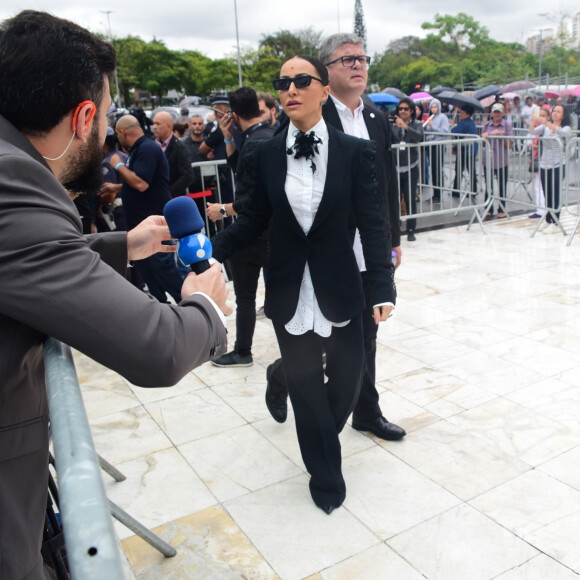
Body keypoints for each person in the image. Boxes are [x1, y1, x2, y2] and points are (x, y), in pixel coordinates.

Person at [0, 11, 230, 579]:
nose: (106, 133)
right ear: (83, 117)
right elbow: (157, 348)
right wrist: (203, 305)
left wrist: (121, 244)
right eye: (103, 117)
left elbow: (28, 256)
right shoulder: (15, 179)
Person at [212, 54, 396, 514]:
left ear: (323, 90)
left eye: (301, 80)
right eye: (283, 83)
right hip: (290, 288)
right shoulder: (264, 153)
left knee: (347, 384)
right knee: (311, 389)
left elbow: (373, 224)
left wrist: (382, 287)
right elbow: (253, 218)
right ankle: (326, 477)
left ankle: (280, 381)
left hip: (341, 286)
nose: (290, 89)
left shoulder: (355, 152)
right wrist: (209, 252)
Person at [264, 33, 405, 444]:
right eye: (346, 60)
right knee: (328, 341)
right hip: (325, 254)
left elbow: (385, 188)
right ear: (325, 74)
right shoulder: (307, 122)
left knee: (364, 338)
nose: (357, 65)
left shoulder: (377, 119)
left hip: (367, 250)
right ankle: (283, 374)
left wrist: (393, 242)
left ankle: (366, 411)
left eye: (361, 58)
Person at [206, 87, 275, 368]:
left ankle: (244, 351)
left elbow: (249, 203)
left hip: (253, 236)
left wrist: (222, 213)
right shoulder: (263, 137)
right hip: (270, 235)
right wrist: (227, 137)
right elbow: (242, 169)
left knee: (246, 298)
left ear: (232, 115)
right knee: (277, 300)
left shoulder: (258, 142)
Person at [112, 114, 185, 303]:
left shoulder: (146, 148)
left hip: (153, 222)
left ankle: (190, 301)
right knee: (148, 269)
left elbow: (141, 183)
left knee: (162, 267)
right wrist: (117, 187)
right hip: (140, 222)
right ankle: (160, 306)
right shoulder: (140, 149)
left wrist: (118, 165)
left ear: (122, 132)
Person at [531, 103, 572, 228]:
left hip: (558, 164)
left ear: (563, 115)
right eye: (554, 111)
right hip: (545, 164)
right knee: (547, 193)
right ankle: (548, 219)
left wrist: (545, 122)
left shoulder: (566, 128)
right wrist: (533, 121)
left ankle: (555, 221)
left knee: (555, 193)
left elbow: (560, 132)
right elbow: (532, 130)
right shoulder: (545, 127)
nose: (555, 113)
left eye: (558, 111)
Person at [391, 96, 424, 241]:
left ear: (411, 111)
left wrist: (405, 127)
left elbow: (419, 137)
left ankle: (411, 229)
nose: (403, 111)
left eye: (406, 109)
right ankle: (396, 227)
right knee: (395, 199)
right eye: (400, 109)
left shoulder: (417, 124)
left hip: (411, 167)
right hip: (396, 167)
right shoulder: (392, 125)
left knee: (410, 198)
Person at [481, 102, 514, 218]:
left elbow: (510, 145)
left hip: (501, 160)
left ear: (503, 113)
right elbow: (482, 141)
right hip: (488, 160)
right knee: (488, 185)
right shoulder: (487, 125)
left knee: (502, 186)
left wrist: (502, 135)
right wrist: (484, 137)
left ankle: (502, 208)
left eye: (499, 112)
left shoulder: (507, 125)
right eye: (495, 112)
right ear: (491, 113)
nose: (497, 114)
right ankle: (488, 208)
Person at [152, 111, 194, 198]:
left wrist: (169, 193)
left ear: (169, 126)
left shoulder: (179, 147)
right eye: (154, 123)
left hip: (169, 198)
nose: (154, 127)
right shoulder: (150, 144)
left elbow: (187, 176)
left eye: (158, 124)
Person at [423, 97, 450, 202]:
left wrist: (432, 126)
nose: (434, 109)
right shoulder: (431, 117)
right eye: (432, 107)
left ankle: (438, 194)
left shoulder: (443, 117)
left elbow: (444, 131)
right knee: (433, 170)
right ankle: (435, 194)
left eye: (435, 107)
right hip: (431, 145)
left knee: (437, 169)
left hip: (439, 145)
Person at [450, 105, 479, 197]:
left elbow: (455, 131)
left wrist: (452, 126)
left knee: (459, 170)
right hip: (470, 150)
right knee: (470, 171)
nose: (460, 114)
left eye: (462, 113)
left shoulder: (464, 123)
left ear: (468, 114)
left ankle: (456, 191)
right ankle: (473, 190)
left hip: (465, 151)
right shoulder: (470, 123)